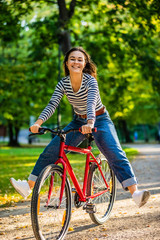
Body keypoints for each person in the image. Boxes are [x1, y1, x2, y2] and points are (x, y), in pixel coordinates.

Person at [10, 47, 150, 208]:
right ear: (67, 63)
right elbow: (52, 104)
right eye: (72, 59)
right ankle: (28, 186)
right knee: (51, 150)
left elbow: (90, 103)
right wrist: (38, 123)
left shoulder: (90, 81)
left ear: (84, 63)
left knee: (114, 152)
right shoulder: (63, 83)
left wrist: (90, 123)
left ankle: (136, 193)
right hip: (78, 121)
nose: (76, 62)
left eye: (79, 59)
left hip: (100, 119)